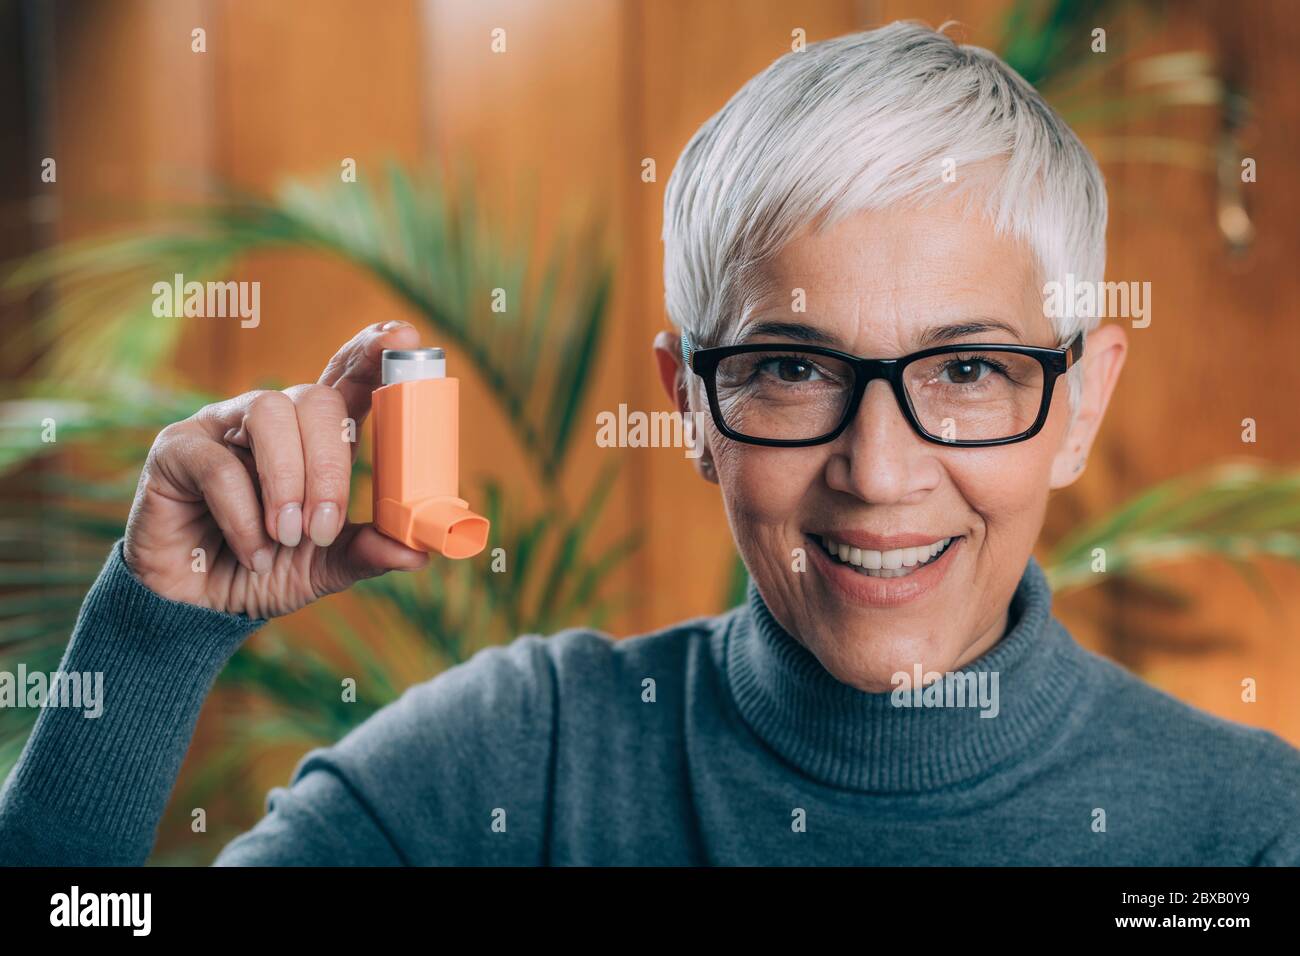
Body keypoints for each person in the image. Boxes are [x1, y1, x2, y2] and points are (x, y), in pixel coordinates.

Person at [2, 21, 1297, 866]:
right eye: (793, 369)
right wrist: (153, 632)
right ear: (688, 401)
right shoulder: (509, 765)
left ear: (1078, 403)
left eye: (969, 369)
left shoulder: (1244, 834)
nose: (881, 470)